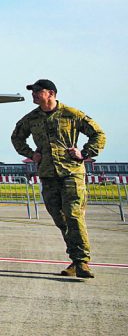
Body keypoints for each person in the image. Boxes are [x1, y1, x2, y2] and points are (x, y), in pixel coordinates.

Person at [11, 79, 106, 279]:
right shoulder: (31, 118)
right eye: (33, 91)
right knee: (60, 218)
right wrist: (31, 154)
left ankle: (82, 262)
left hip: (71, 173)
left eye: (38, 91)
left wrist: (84, 153)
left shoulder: (71, 114)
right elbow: (16, 138)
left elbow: (98, 134)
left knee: (73, 215)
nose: (34, 94)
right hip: (48, 174)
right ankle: (75, 259)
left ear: (51, 93)